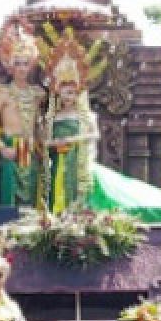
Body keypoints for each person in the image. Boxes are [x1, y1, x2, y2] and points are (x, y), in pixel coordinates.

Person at [0, 16, 45, 207]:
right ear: (11, 66)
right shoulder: (3, 94)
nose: (22, 68)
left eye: (26, 63)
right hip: (10, 145)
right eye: (19, 63)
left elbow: (39, 124)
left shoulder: (36, 94)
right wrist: (1, 147)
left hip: (28, 148)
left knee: (29, 199)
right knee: (10, 199)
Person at [38, 27, 98, 213]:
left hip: (76, 161)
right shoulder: (52, 117)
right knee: (56, 191)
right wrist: (54, 143)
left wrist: (71, 141)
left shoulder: (84, 116)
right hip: (57, 161)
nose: (68, 96)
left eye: (72, 92)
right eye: (64, 91)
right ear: (58, 92)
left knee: (75, 194)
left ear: (77, 93)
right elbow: (44, 142)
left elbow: (94, 134)